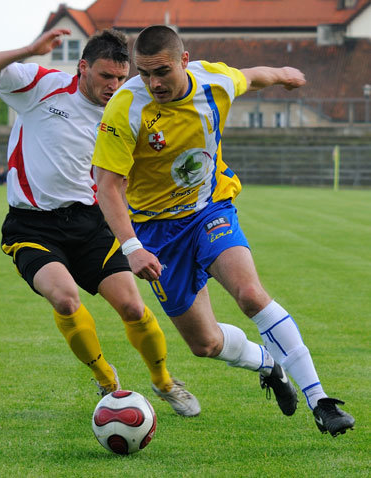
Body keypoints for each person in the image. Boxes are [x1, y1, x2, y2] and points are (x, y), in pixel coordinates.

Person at [92, 25, 355, 436]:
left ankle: (321, 400)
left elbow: (250, 75)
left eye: (161, 71)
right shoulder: (125, 108)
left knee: (251, 295)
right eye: (144, 73)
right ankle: (269, 365)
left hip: (210, 209)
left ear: (184, 60)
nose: (153, 82)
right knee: (205, 344)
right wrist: (132, 246)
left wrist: (284, 73)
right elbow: (108, 184)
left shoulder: (213, 81)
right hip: (156, 233)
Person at [0, 28, 200, 417]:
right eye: (106, 76)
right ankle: (107, 381)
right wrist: (29, 50)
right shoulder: (41, 84)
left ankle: (164, 382)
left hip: (91, 223)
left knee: (133, 308)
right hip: (31, 226)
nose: (113, 86)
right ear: (83, 67)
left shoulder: (127, 108)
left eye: (120, 79)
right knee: (64, 297)